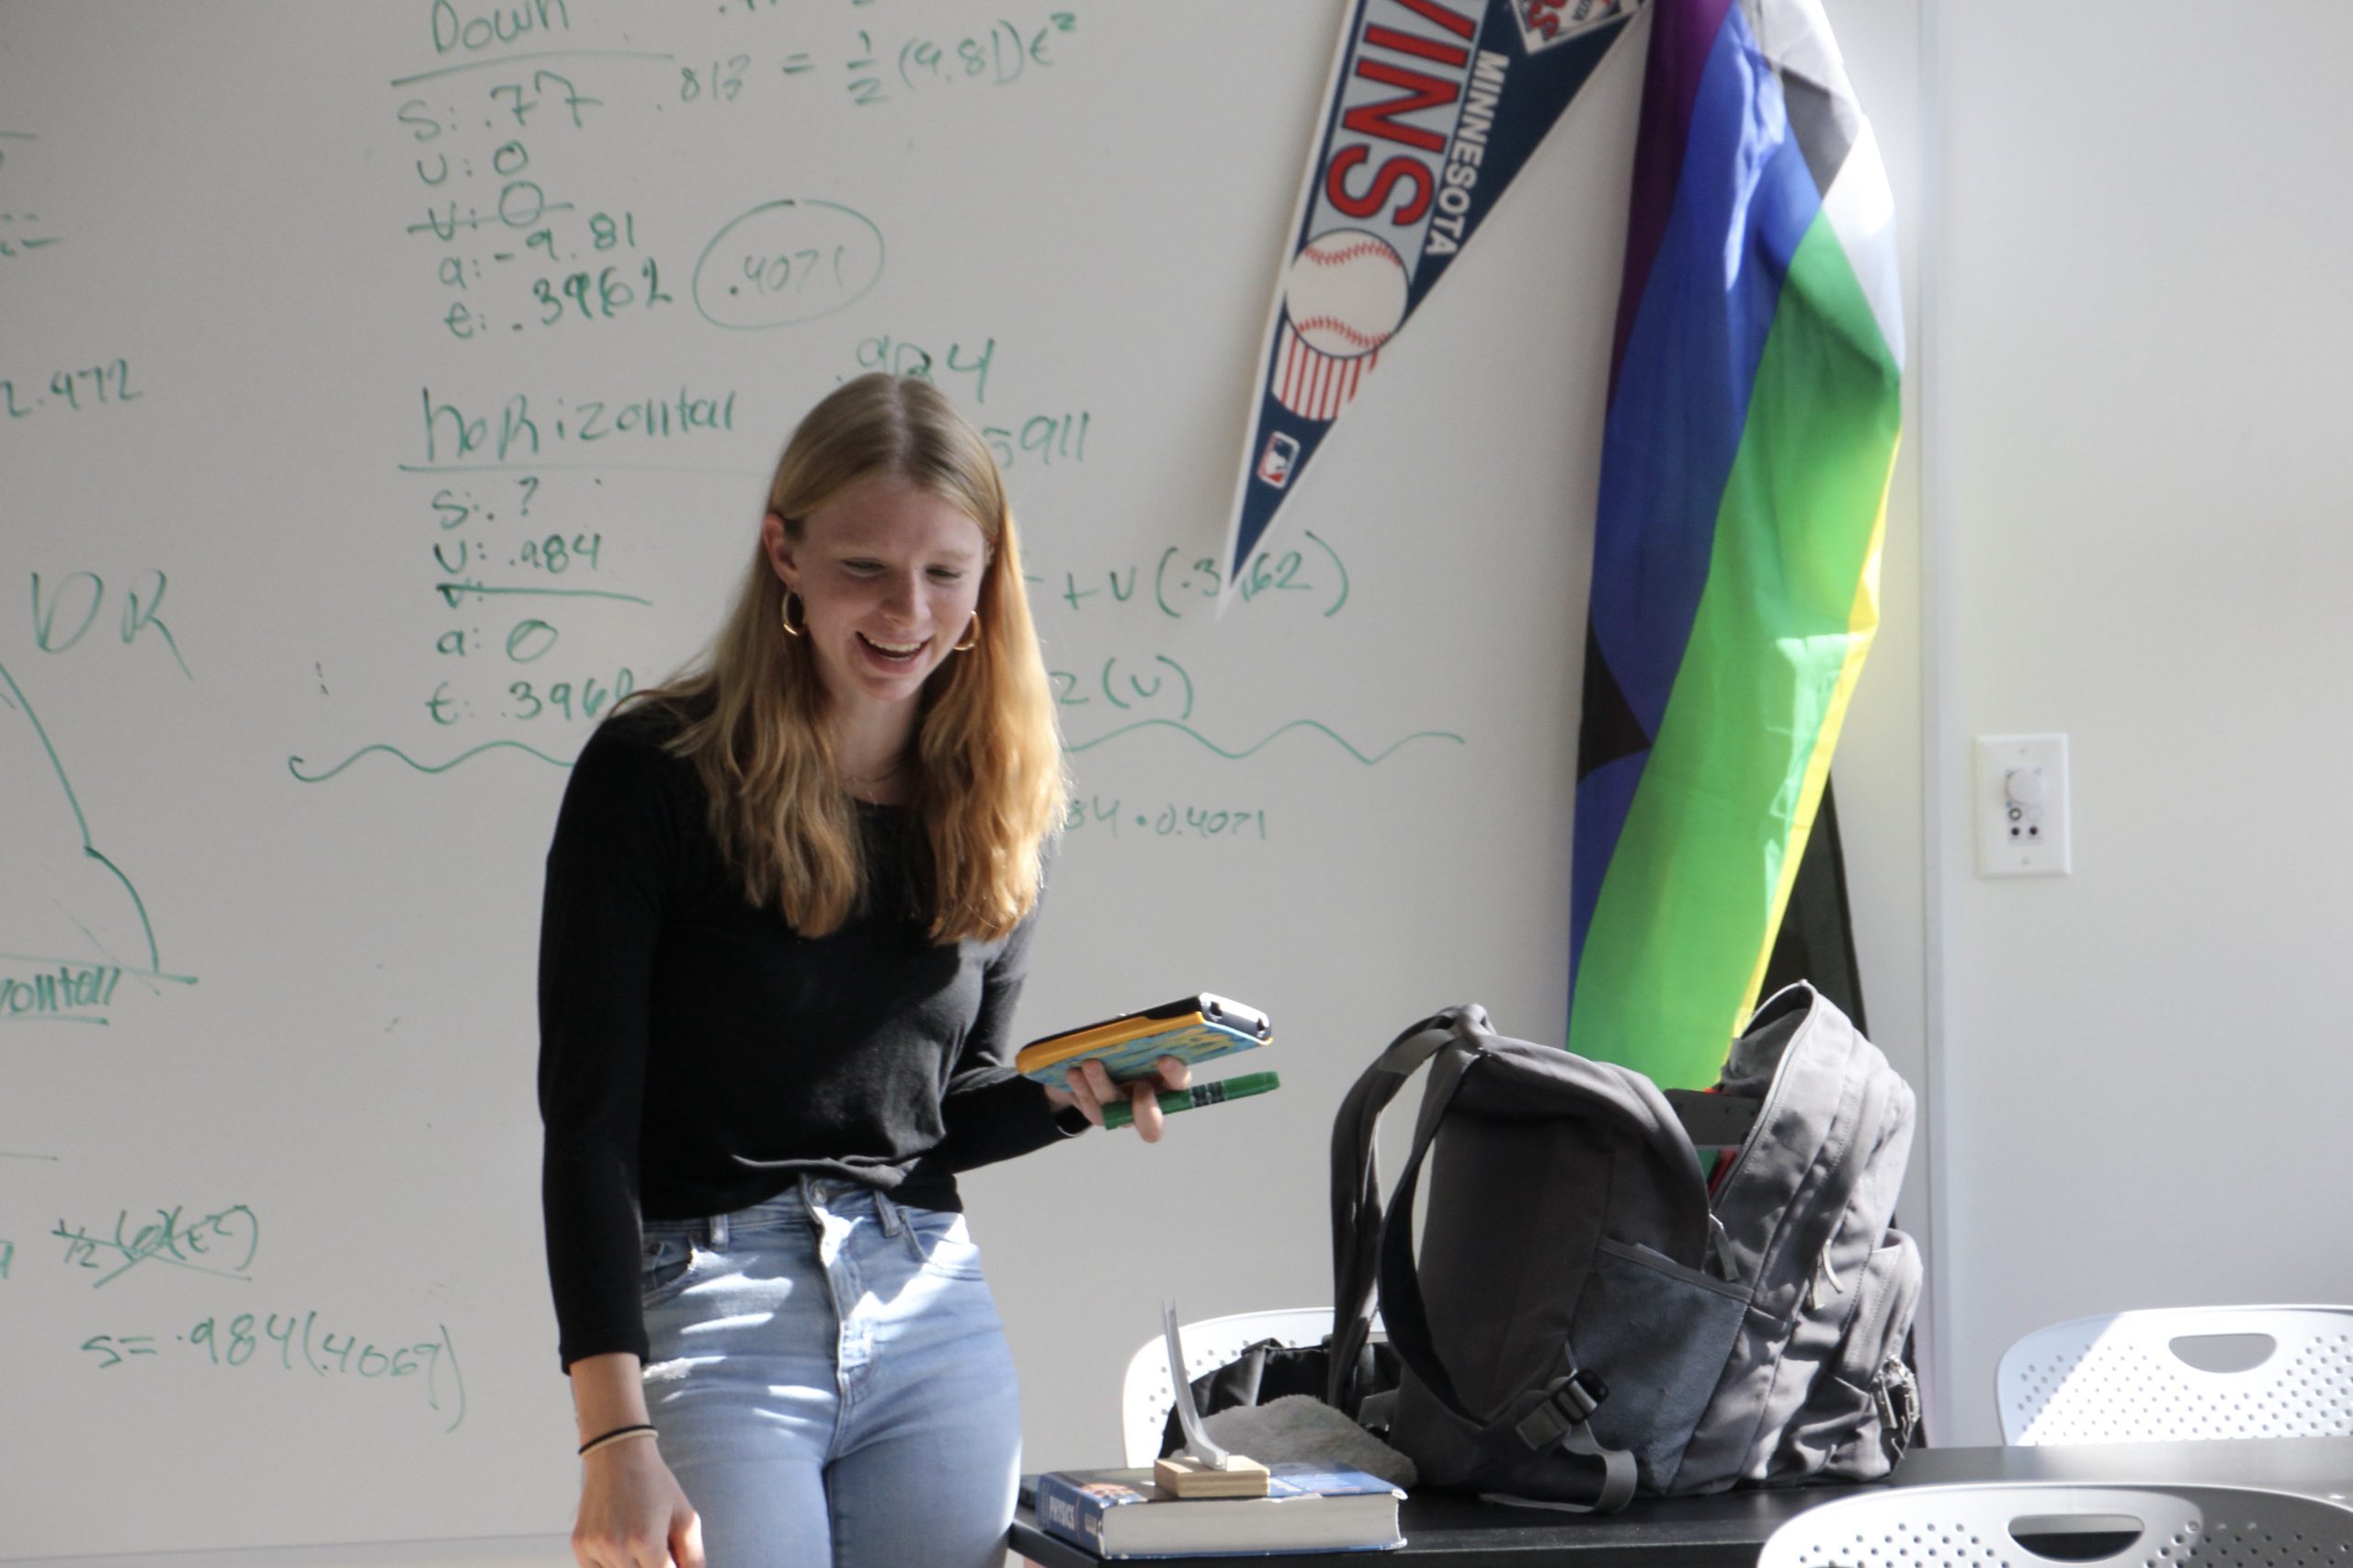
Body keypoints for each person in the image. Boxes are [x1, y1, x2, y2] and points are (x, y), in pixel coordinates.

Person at [537, 372, 1189, 1568]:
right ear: (783, 552)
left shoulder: (999, 801)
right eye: (864, 569)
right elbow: (588, 1127)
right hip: (710, 1302)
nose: (909, 609)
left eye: (948, 571)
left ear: (991, 575)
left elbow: (932, 1115)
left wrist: (1072, 1088)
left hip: (929, 1314)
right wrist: (611, 1432)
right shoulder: (653, 774)